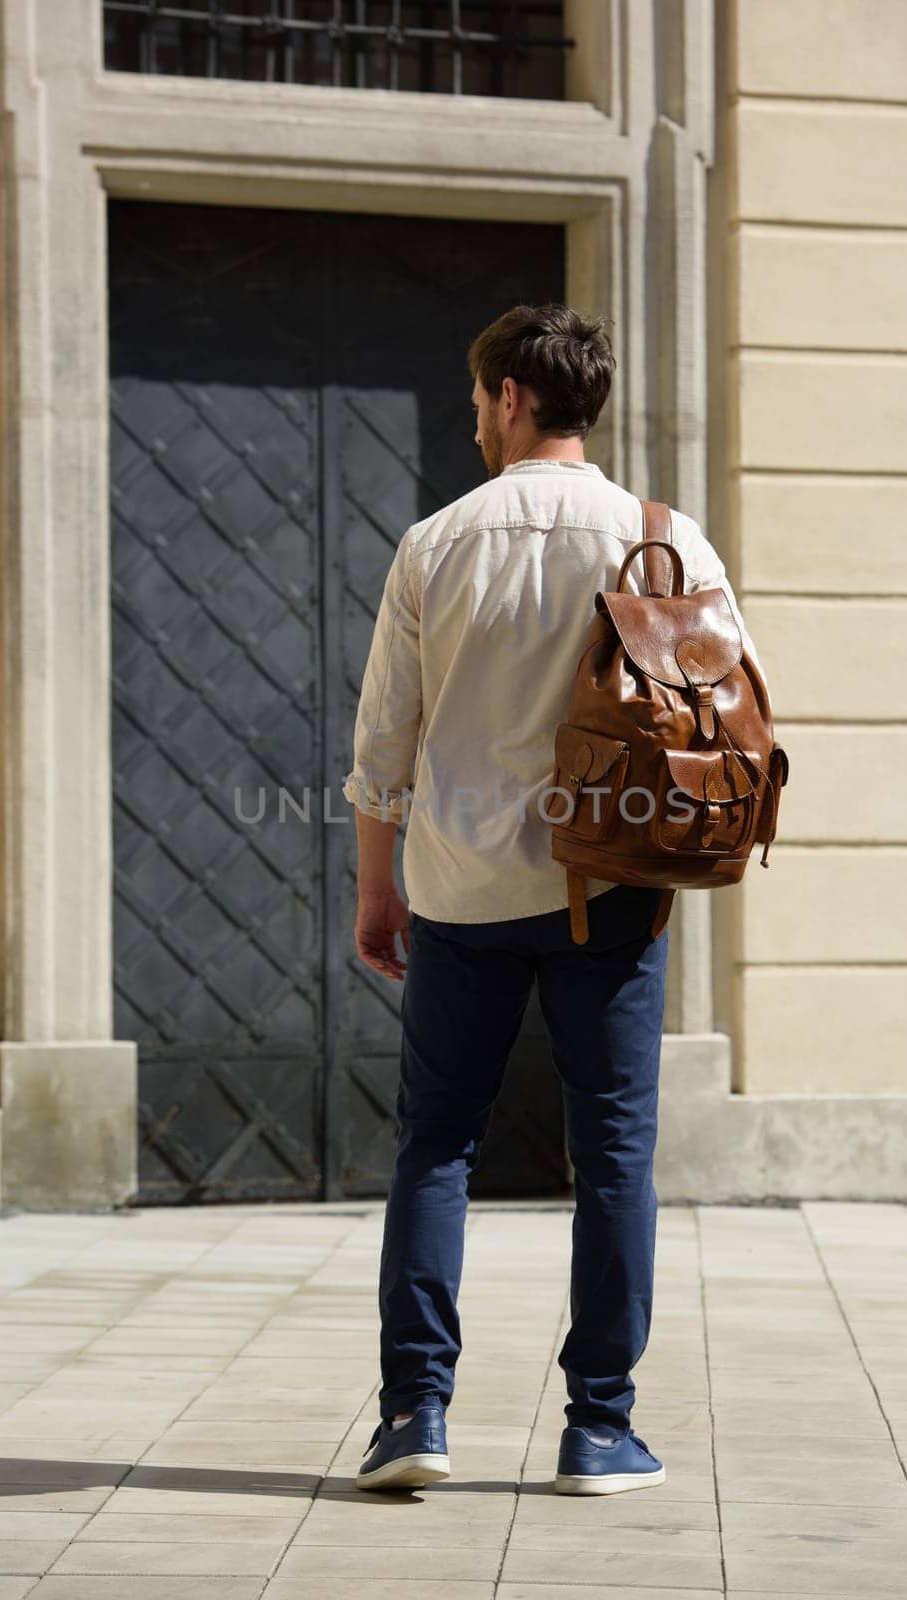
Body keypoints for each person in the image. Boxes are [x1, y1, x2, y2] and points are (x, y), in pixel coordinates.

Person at [341, 303, 763, 1495]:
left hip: (462, 890)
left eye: (480, 402)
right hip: (614, 885)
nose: (476, 420)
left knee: (436, 1147)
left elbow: (385, 739)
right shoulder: (666, 538)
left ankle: (415, 1416)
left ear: (514, 398)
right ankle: (599, 1427)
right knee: (615, 1157)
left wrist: (379, 890)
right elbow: (727, 716)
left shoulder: (434, 543)